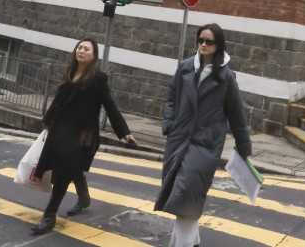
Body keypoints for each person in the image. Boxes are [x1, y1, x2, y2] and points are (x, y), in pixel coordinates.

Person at [154, 23, 252, 247]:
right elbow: (172, 97)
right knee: (183, 195)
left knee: (187, 193)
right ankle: (192, 241)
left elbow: (236, 113)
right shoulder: (185, 67)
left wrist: (244, 146)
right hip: (179, 139)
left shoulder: (227, 77)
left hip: (206, 144)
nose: (203, 45)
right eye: (200, 40)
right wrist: (169, 123)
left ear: (219, 45)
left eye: (209, 41)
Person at [30, 38, 136, 234]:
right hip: (60, 131)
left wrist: (124, 132)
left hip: (82, 137)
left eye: (86, 49)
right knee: (72, 169)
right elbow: (59, 100)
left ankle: (49, 216)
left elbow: (109, 105)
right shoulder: (70, 72)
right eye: (79, 47)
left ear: (93, 55)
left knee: (62, 175)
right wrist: (47, 120)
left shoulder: (98, 78)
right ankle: (84, 198)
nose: (81, 51)